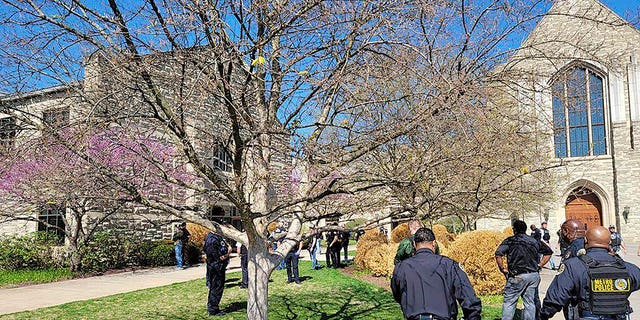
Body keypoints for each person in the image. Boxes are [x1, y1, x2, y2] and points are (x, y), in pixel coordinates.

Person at [541, 226, 640, 320]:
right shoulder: (628, 268)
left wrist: (544, 315)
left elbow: (555, 298)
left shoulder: (573, 266)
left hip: (586, 315)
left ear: (585, 240)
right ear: (609, 242)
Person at [391, 227, 482, 320]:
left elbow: (397, 294)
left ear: (414, 244)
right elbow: (469, 298)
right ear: (434, 243)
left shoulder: (401, 267)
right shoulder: (450, 265)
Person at [495, 220, 553, 320]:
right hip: (533, 276)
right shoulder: (534, 241)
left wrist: (502, 268)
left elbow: (498, 254)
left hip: (517, 276)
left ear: (514, 230)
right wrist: (540, 265)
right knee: (529, 302)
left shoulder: (510, 241)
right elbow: (548, 252)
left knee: (510, 302)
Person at [203, 231, 230, 316]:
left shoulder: (214, 237)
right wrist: (228, 252)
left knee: (216, 287)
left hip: (215, 266)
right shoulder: (213, 239)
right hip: (216, 267)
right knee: (216, 287)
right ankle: (213, 309)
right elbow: (218, 257)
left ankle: (213, 306)